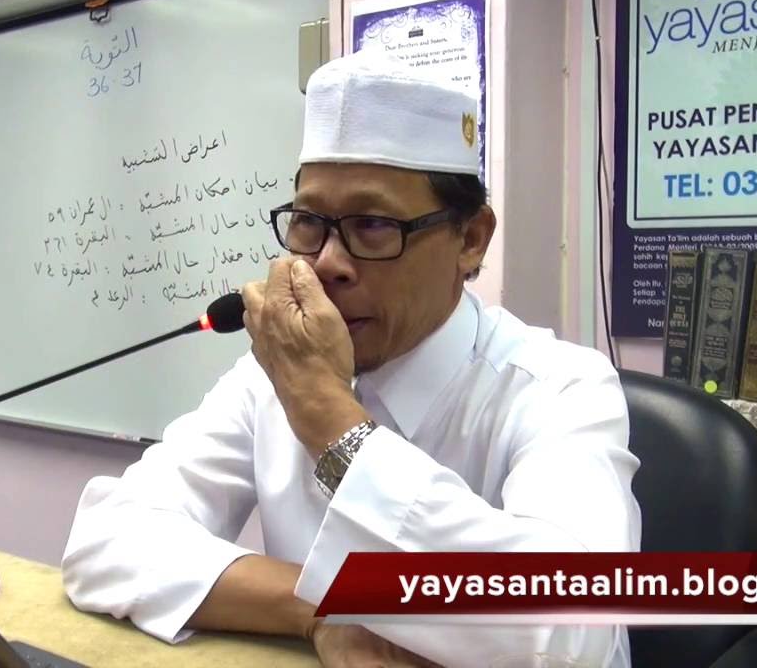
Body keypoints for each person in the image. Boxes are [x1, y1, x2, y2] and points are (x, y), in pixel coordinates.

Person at [62, 49, 641, 668]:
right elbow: (103, 541)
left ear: (470, 239)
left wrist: (330, 419)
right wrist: (324, 608)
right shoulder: (271, 378)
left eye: (373, 226)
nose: (327, 262)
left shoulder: (559, 387)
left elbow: (573, 632)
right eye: (308, 223)